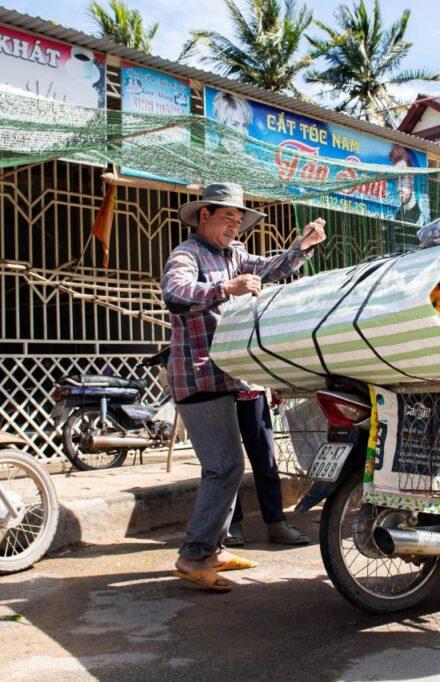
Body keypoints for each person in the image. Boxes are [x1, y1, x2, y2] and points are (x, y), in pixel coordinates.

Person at [162, 182, 325, 591]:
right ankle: (193, 555)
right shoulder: (187, 253)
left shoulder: (234, 255)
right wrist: (223, 289)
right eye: (227, 218)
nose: (235, 226)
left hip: (230, 375)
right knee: (226, 467)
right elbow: (175, 292)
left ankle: (212, 549)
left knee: (230, 466)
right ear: (204, 216)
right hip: (198, 375)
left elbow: (271, 268)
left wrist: (303, 246)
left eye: (239, 220)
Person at [224, 390, 310, 548]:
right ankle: (231, 523)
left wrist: (275, 387)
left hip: (251, 390)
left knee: (266, 460)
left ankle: (276, 524)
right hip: (217, 390)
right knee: (227, 463)